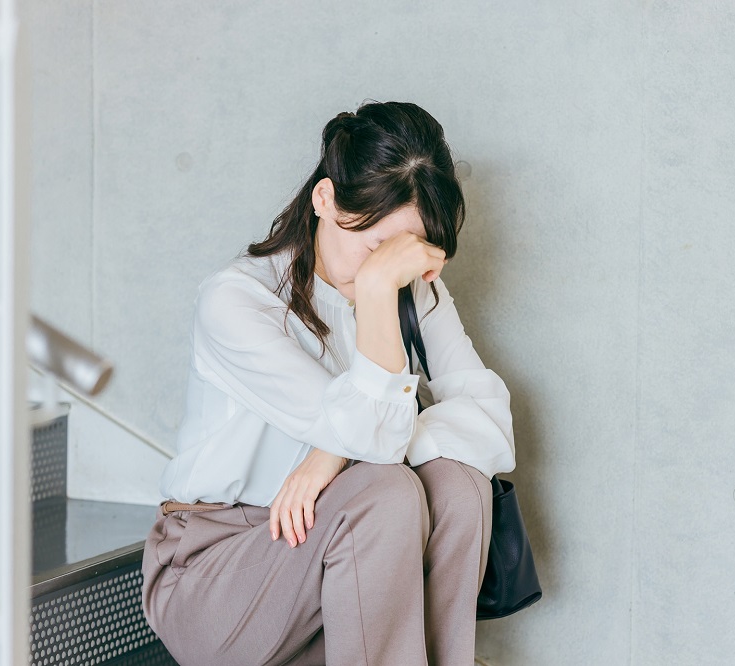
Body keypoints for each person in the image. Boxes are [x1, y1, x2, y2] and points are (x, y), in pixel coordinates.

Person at [142, 101, 516, 666]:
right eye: (374, 248)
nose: (383, 269)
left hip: (338, 552)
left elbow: (488, 423)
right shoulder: (237, 301)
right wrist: (377, 294)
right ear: (324, 199)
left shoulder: (415, 292)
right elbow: (372, 442)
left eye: (400, 255)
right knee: (385, 491)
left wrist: (328, 456)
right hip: (215, 568)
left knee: (459, 485)